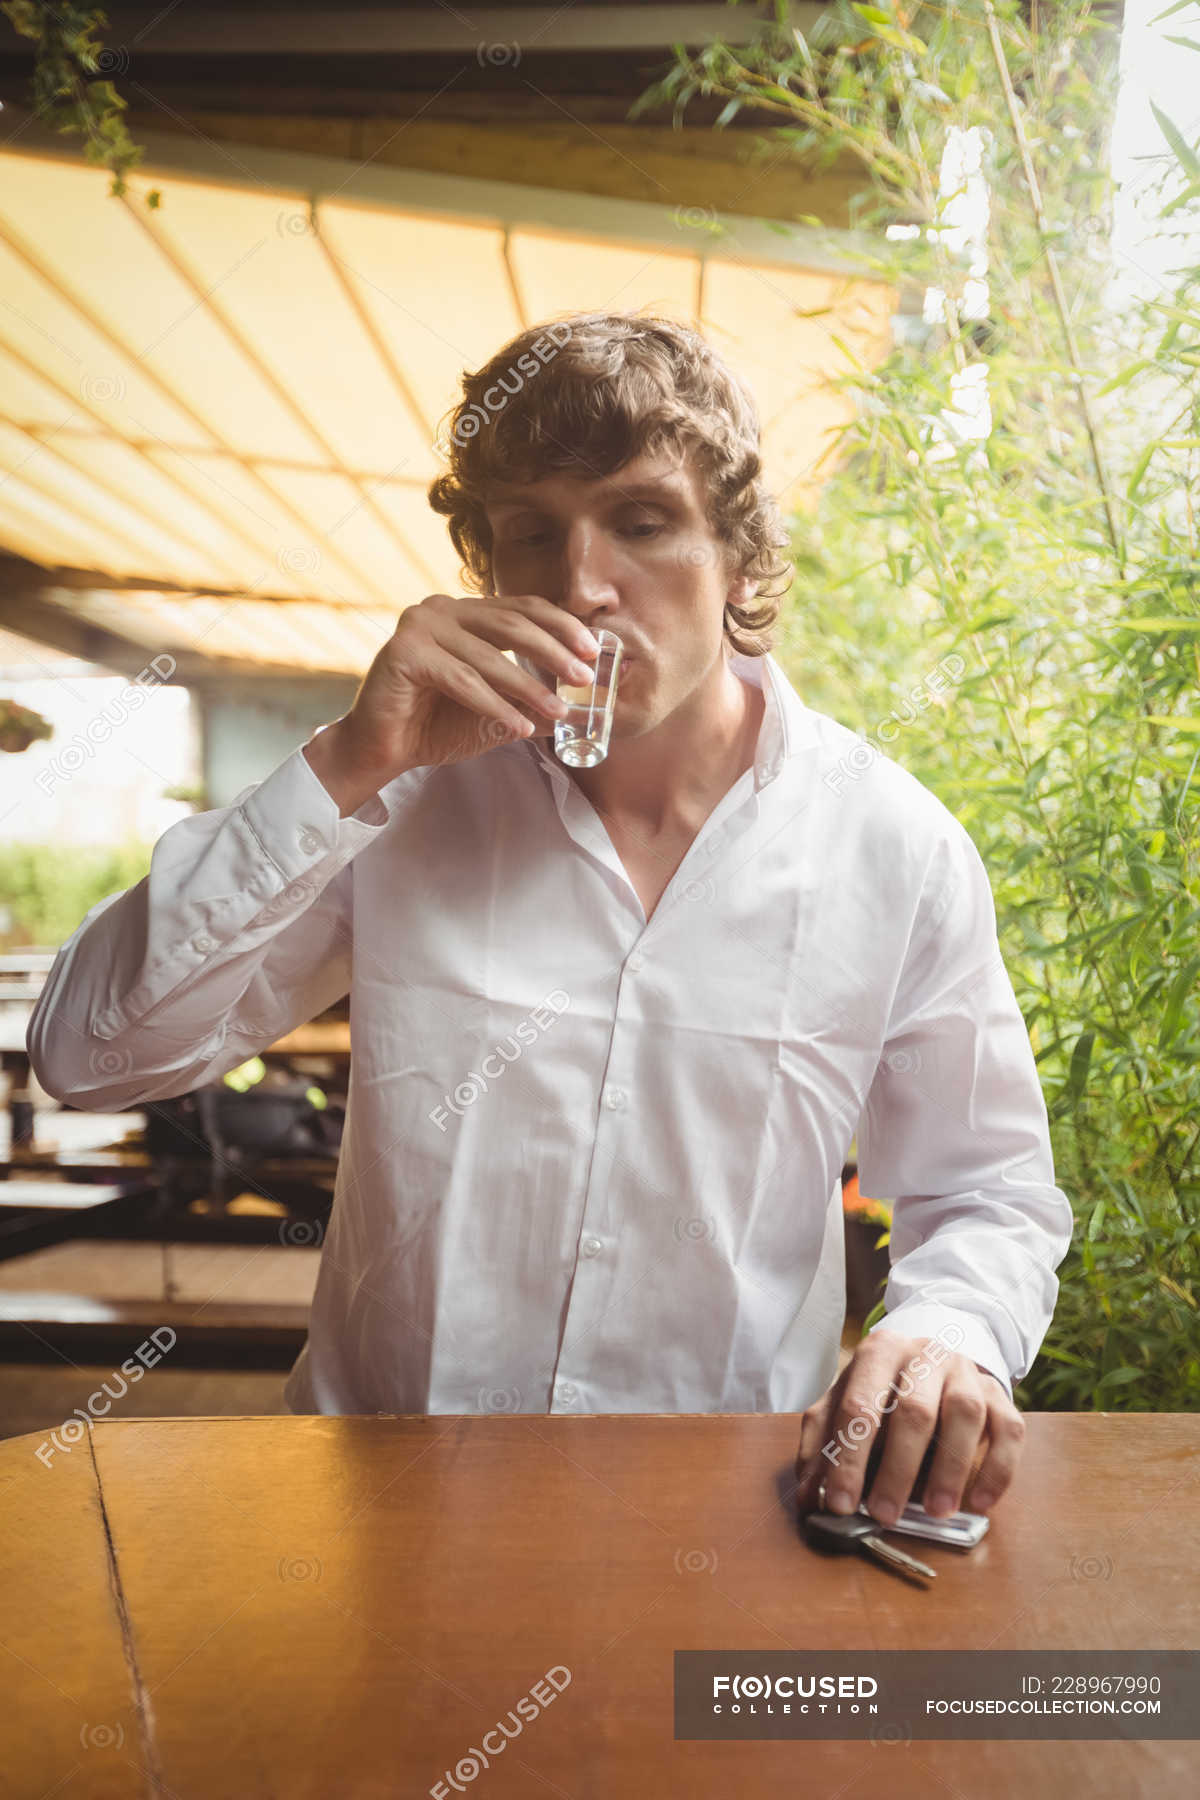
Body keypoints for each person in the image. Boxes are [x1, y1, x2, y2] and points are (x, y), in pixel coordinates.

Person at [27, 309, 1073, 1532]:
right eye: (533, 533)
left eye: (641, 521)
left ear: (737, 560)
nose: (582, 585)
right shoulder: (396, 794)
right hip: (380, 1521)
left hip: (718, 1530)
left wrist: (948, 1332)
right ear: (487, 567)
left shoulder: (891, 846)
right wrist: (348, 761)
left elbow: (989, 1189)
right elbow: (89, 1062)